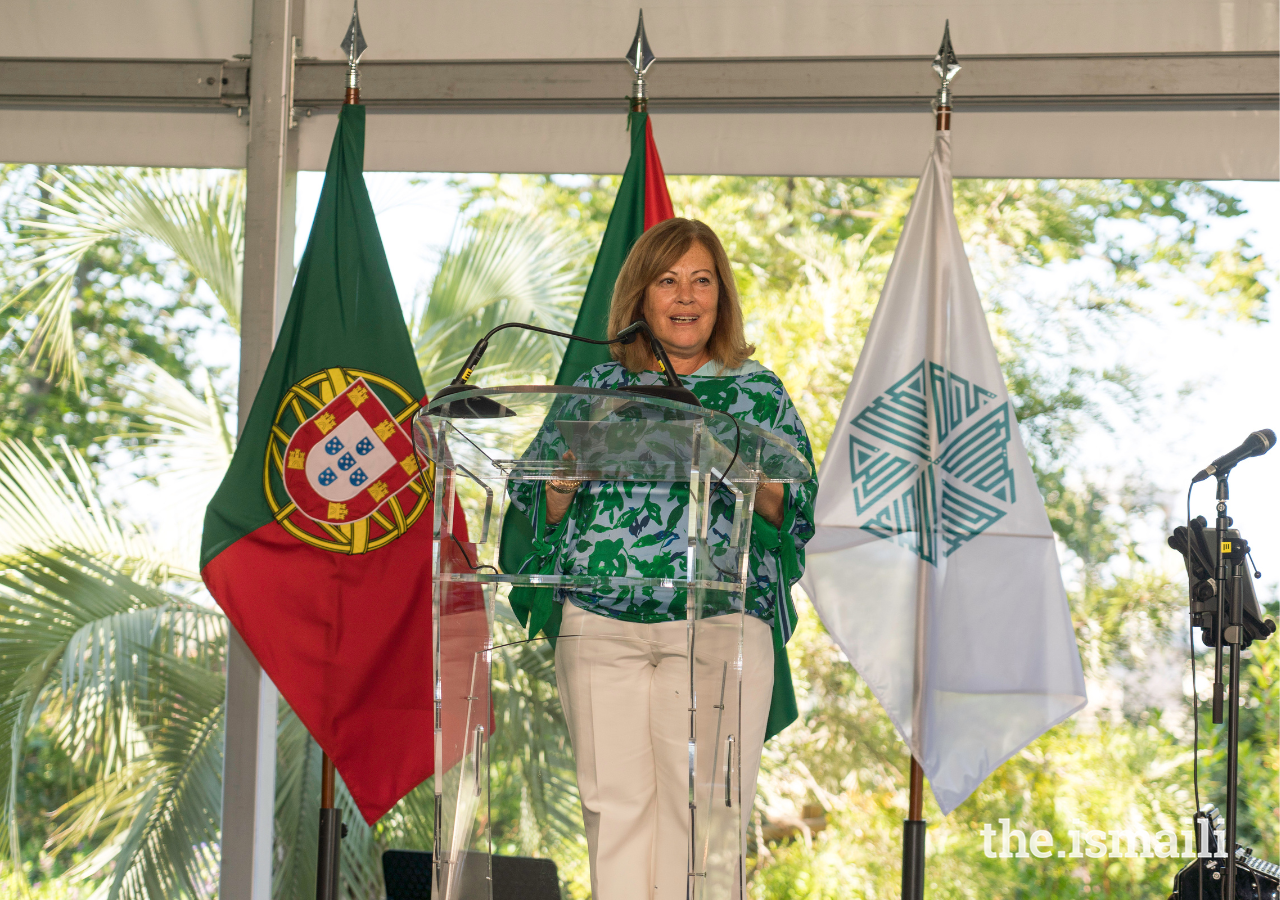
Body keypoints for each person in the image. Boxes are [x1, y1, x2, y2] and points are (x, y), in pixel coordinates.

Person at [506, 217, 816, 900]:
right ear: (640, 299)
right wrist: (557, 492)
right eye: (668, 280)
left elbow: (794, 512)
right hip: (600, 621)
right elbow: (532, 506)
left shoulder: (756, 393)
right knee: (613, 814)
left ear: (720, 297)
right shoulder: (594, 387)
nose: (685, 295)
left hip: (717, 621)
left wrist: (730, 454)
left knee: (707, 819)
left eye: (701, 280)